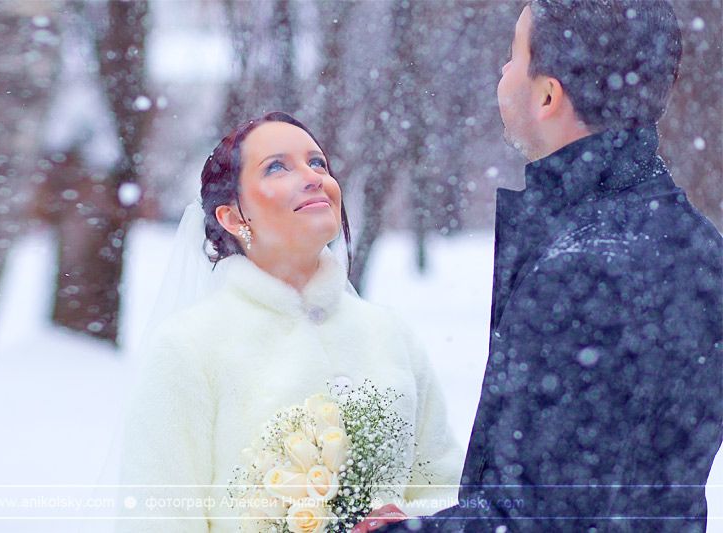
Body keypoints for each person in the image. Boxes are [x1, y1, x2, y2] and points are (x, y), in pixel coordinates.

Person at [380, 0, 723, 531]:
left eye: (514, 54)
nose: (503, 69)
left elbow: (536, 517)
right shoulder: (698, 245)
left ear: (547, 95)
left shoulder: (582, 270)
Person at [115, 111, 463, 532]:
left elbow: (445, 491)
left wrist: (411, 525)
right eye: (277, 167)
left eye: (318, 163)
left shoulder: (389, 334)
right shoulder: (189, 346)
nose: (314, 177)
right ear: (233, 217)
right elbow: (157, 518)